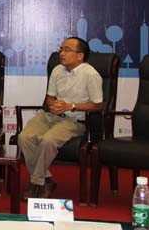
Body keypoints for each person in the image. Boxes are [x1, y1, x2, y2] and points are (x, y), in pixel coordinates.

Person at [18, 36, 102, 200]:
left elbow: (98, 105)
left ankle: (36, 183)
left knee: (47, 141)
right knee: (24, 137)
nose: (62, 53)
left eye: (67, 50)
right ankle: (46, 180)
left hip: (74, 121)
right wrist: (54, 105)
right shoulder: (57, 70)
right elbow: (50, 98)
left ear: (80, 55)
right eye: (61, 49)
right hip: (50, 116)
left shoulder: (91, 74)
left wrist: (71, 106)